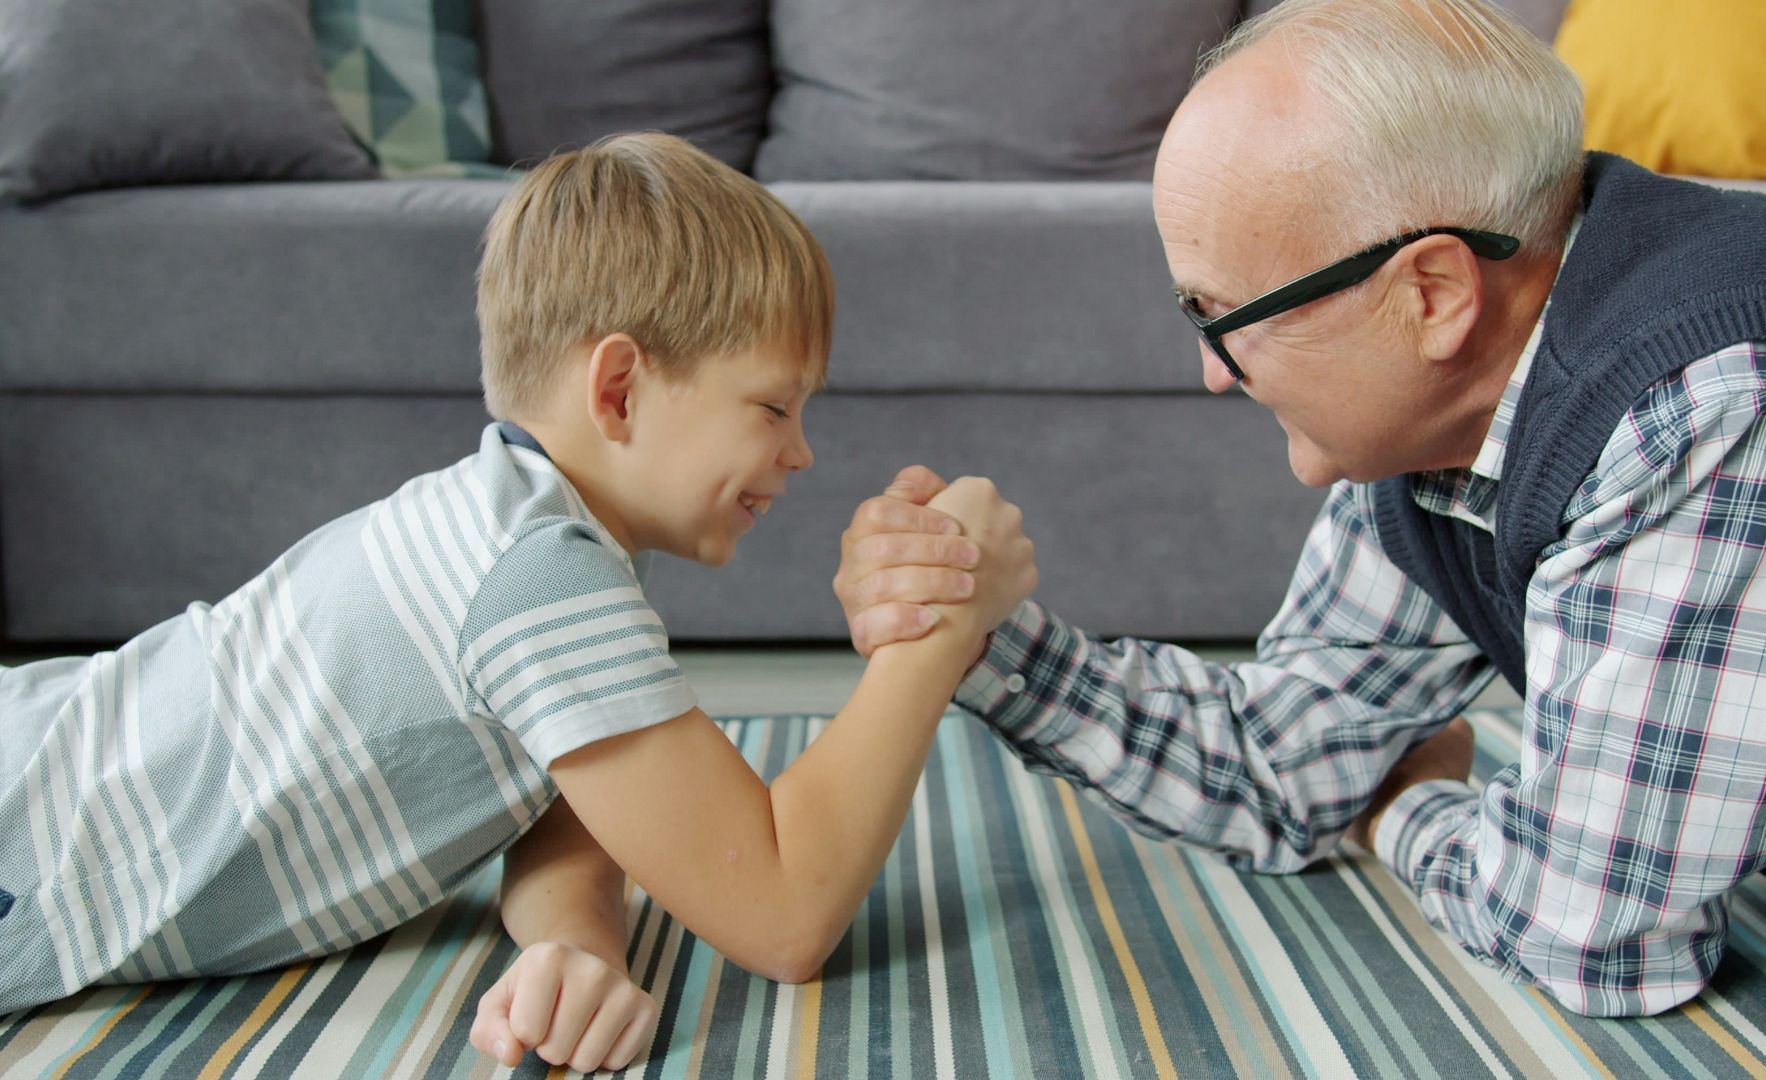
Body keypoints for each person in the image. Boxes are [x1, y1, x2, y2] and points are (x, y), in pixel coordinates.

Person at [831, 0, 1766, 1018]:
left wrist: (1402, 806)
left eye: (1224, 316)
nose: (1213, 373)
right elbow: (1283, 765)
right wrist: (981, 635)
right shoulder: (1445, 417)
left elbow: (1587, 939)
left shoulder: (1736, 397)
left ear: (1432, 292)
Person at [0, 133, 1037, 1073]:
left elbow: (569, 811)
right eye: (773, 405)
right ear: (621, 389)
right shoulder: (538, 576)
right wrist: (938, 631)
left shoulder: (522, 532)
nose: (801, 453)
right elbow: (782, 913)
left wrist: (572, 951)